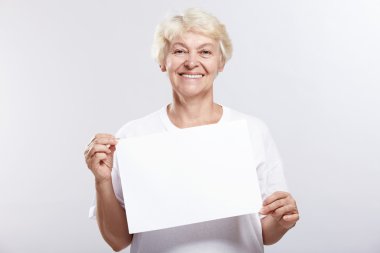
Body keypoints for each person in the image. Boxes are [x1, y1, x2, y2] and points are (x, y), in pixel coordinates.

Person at [84, 8, 299, 253]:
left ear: (221, 62)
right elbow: (118, 240)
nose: (191, 62)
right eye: (179, 51)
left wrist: (282, 221)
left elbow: (264, 233)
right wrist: (102, 181)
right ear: (162, 61)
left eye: (205, 52)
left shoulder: (252, 131)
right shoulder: (132, 137)